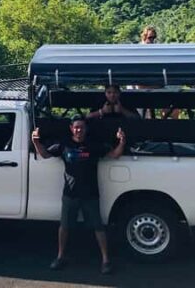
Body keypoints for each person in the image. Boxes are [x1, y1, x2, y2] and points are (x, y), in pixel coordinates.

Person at [32, 116, 126, 275]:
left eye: (81, 127)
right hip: (70, 194)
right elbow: (45, 154)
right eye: (76, 127)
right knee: (64, 227)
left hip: (91, 194)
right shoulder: (63, 145)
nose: (78, 130)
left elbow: (115, 154)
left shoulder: (94, 145)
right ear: (71, 128)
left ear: (86, 129)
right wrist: (35, 141)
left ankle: (105, 260)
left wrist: (122, 142)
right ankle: (60, 256)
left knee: (98, 227)